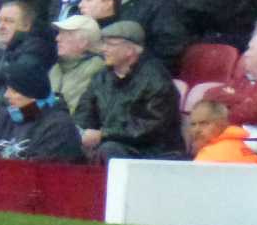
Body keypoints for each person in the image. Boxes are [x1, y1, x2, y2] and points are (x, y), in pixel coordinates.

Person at [73, 20, 185, 163]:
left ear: (130, 50)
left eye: (110, 44)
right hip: (110, 141)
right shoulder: (101, 77)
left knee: (109, 149)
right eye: (103, 43)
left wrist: (104, 134)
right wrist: (81, 133)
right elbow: (85, 111)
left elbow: (150, 127)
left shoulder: (156, 80)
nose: (104, 49)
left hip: (150, 150)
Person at [0, 57, 85, 161]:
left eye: (14, 91)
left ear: (32, 95)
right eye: (7, 89)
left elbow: (40, 170)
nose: (6, 95)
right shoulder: (5, 116)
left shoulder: (59, 126)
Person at [187, 99, 257, 164]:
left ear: (222, 124)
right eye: (193, 124)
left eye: (204, 123)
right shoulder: (244, 149)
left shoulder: (209, 155)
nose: (196, 130)